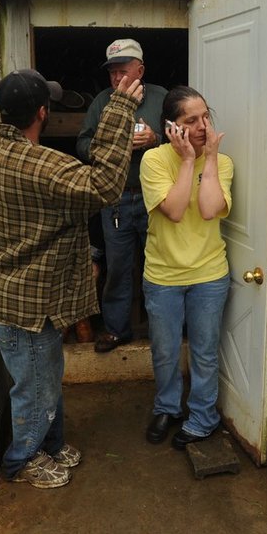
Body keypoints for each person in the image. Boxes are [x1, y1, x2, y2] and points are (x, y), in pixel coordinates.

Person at [0, 68, 142, 487]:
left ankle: (49, 445)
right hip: (24, 305)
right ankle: (22, 460)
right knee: (35, 388)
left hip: (19, 296)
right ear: (43, 112)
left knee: (46, 377)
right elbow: (104, 185)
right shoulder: (40, 165)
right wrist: (120, 109)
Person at [139, 86, 233, 449]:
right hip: (163, 275)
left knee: (205, 351)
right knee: (164, 350)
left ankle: (203, 416)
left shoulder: (222, 163)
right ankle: (166, 407)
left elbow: (209, 209)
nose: (201, 126)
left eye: (205, 117)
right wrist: (189, 161)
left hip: (209, 274)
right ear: (171, 127)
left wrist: (208, 159)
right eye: (190, 120)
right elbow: (175, 211)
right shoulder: (154, 161)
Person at [76, 39, 167, 353]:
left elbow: (181, 141)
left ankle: (162, 330)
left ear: (139, 69)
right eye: (112, 72)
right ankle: (116, 329)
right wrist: (112, 147)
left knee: (158, 266)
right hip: (114, 200)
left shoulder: (161, 98)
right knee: (117, 267)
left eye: (123, 71)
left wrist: (155, 139)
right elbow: (82, 145)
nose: (117, 78)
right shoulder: (102, 102)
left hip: (156, 199)